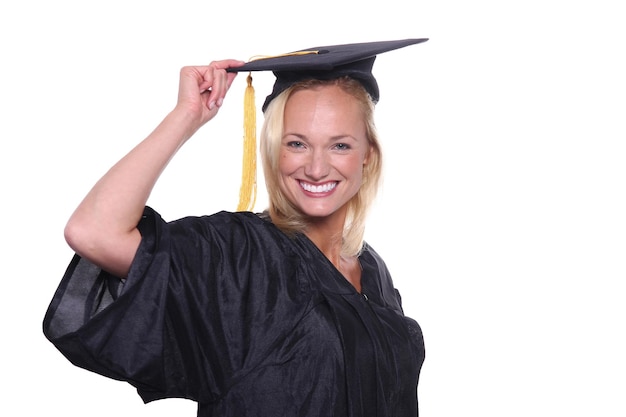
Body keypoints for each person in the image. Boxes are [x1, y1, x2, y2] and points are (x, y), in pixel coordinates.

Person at [43, 38, 428, 417]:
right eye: (297, 144)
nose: (315, 167)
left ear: (367, 156)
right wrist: (186, 115)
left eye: (340, 146)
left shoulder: (372, 271)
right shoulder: (238, 255)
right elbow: (93, 232)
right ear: (274, 149)